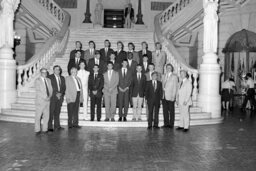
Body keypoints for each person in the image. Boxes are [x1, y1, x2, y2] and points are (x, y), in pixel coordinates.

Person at [34, 68, 53, 135]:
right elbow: (38, 91)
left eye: (46, 72)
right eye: (43, 72)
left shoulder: (49, 80)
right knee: (38, 116)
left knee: (46, 116)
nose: (45, 74)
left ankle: (45, 129)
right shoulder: (37, 80)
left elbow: (51, 89)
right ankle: (37, 130)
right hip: (40, 101)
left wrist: (49, 96)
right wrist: (45, 97)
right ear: (40, 73)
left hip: (48, 100)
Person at [48, 65, 66, 132]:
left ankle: (57, 126)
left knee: (57, 112)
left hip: (60, 98)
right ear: (53, 70)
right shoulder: (50, 77)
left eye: (58, 69)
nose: (57, 71)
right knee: (51, 112)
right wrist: (56, 93)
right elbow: (49, 87)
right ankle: (49, 127)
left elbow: (64, 88)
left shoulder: (62, 78)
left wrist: (61, 93)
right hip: (52, 97)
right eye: (56, 69)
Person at [161, 64, 179, 129]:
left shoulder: (174, 76)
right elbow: (162, 86)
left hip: (170, 96)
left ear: (172, 68)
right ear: (166, 68)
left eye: (170, 67)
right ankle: (166, 124)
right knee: (165, 111)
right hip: (164, 96)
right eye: (167, 67)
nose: (168, 68)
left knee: (171, 111)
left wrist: (173, 96)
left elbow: (175, 87)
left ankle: (171, 124)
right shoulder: (163, 76)